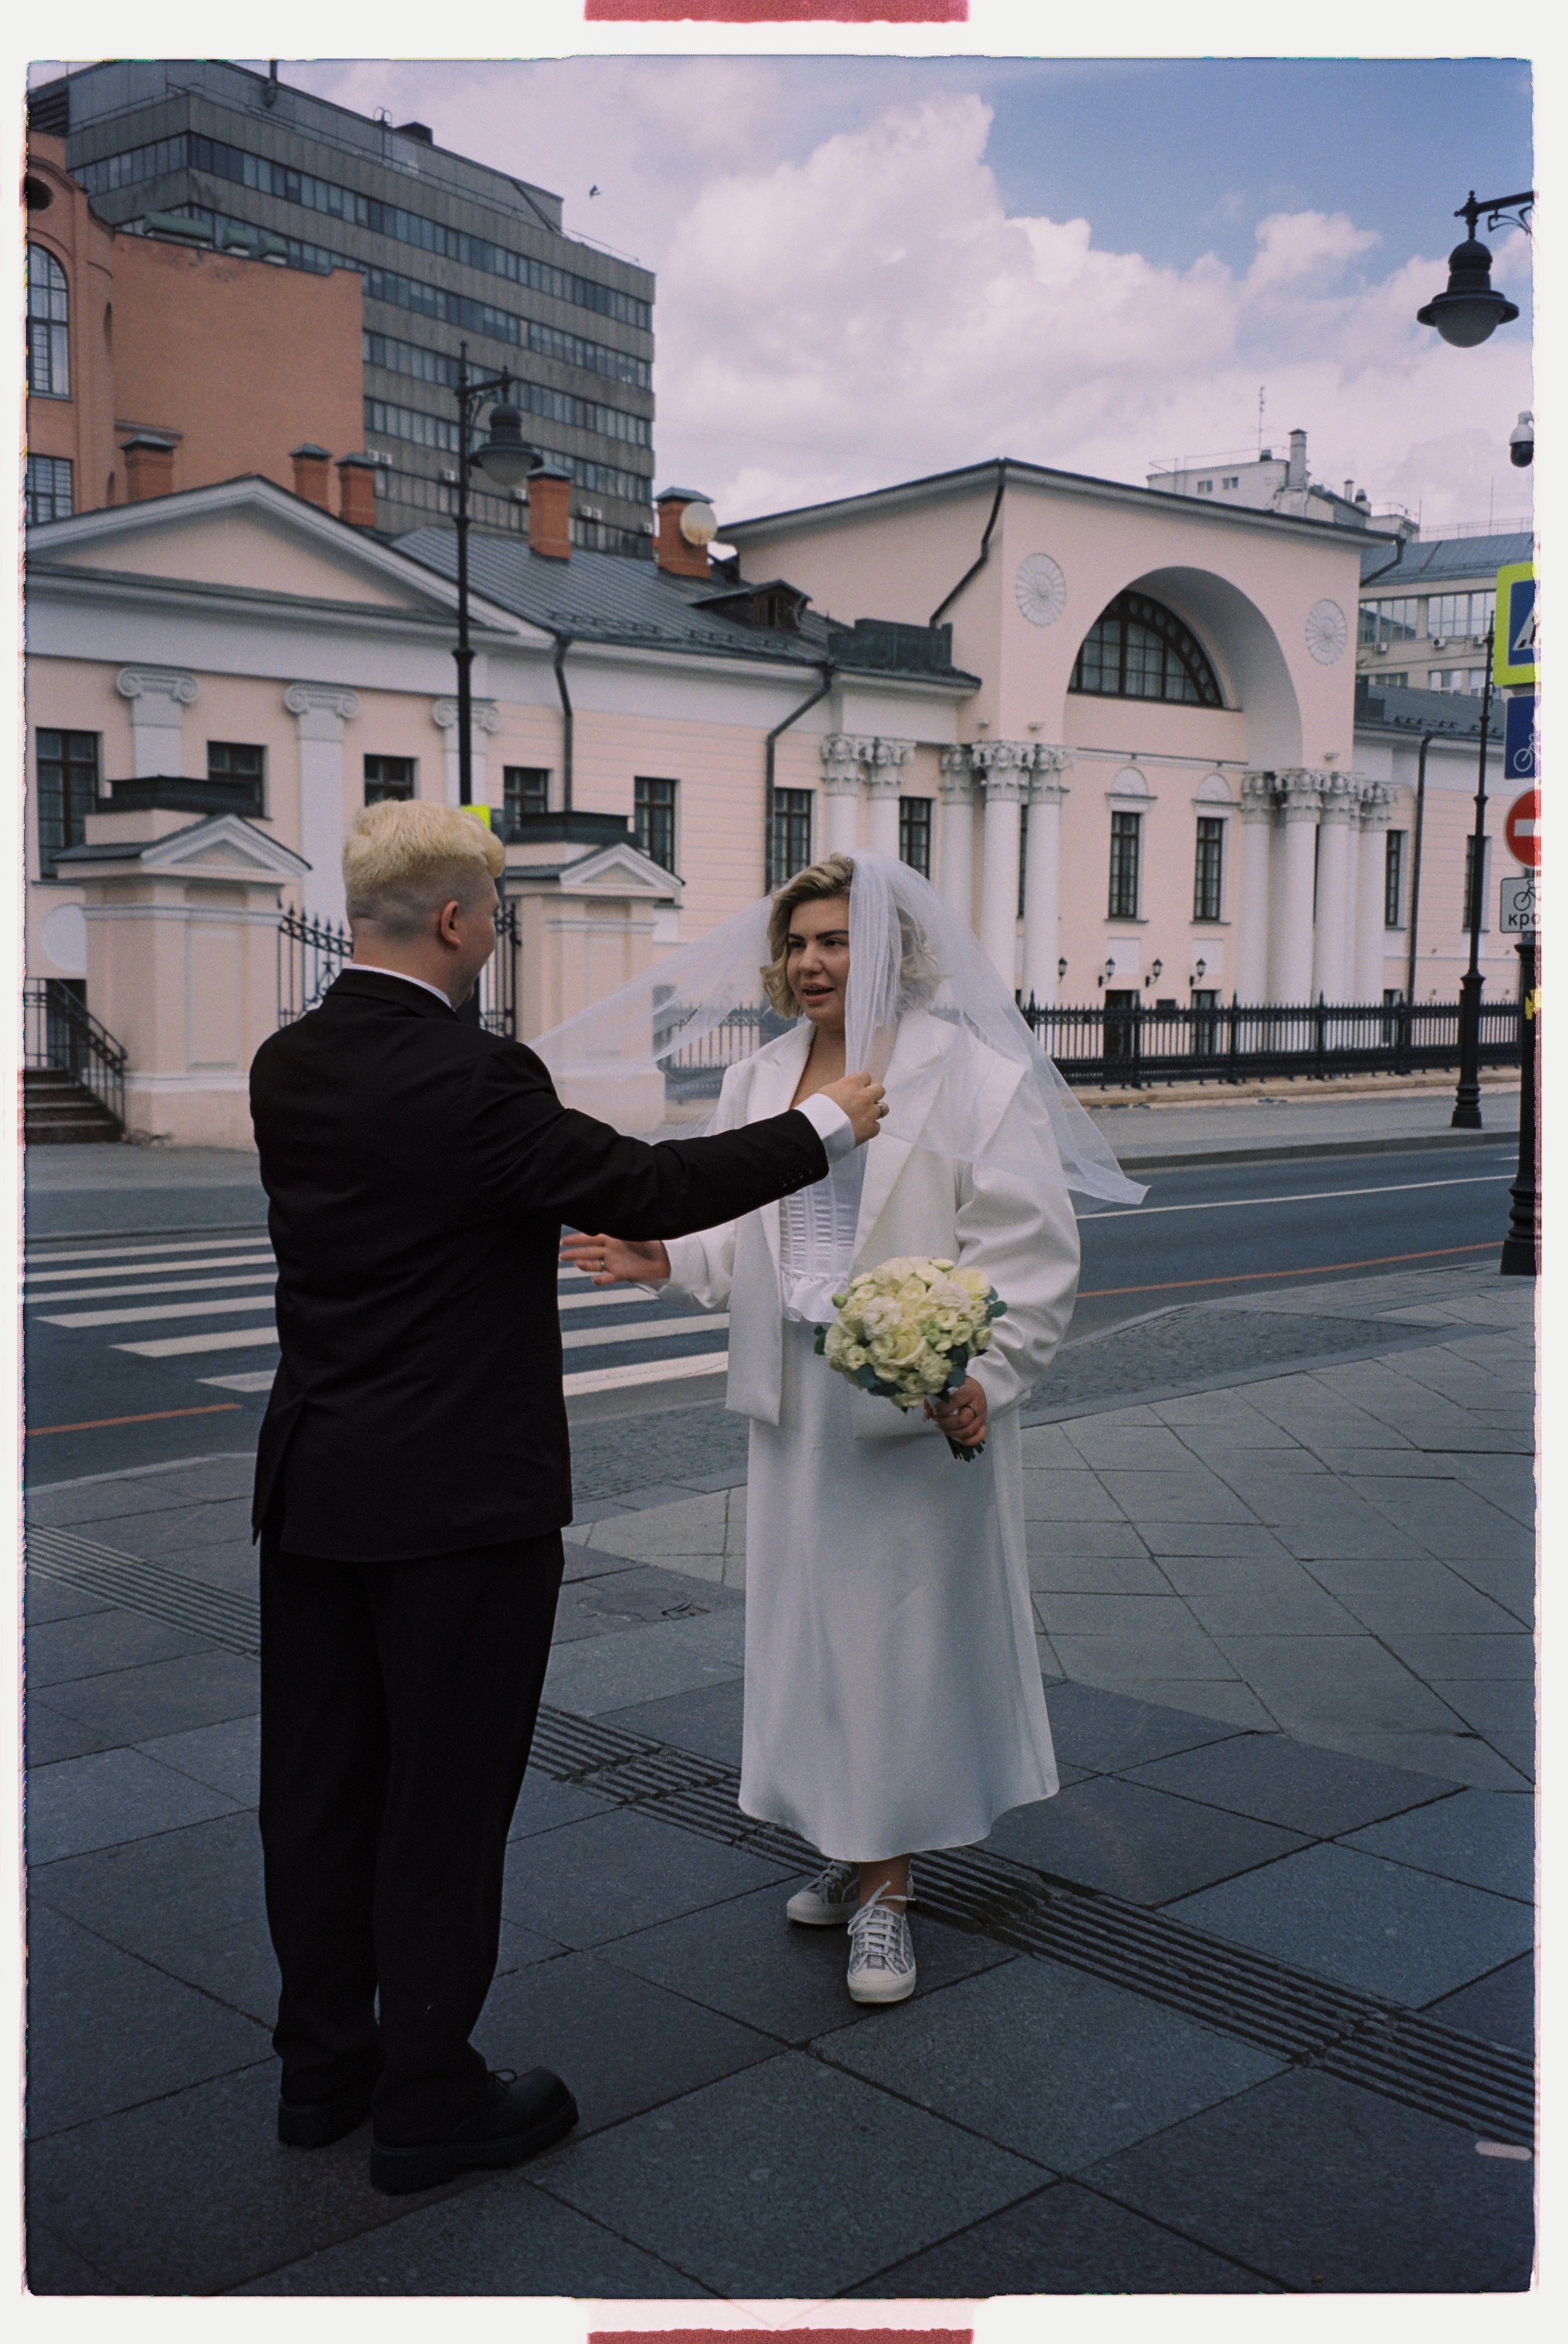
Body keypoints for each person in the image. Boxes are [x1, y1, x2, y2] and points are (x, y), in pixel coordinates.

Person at [248, 803, 887, 2193]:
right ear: (455, 919)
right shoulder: (476, 1076)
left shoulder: (286, 1061)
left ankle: (322, 2070)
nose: (498, 931)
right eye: (494, 910)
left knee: (316, 1784)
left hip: (314, 1485)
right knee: (443, 1796)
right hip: (459, 1502)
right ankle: (429, 2095)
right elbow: (647, 1183)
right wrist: (822, 1126)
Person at [561, 851, 1094, 2007]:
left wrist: (981, 1374)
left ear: (891, 951)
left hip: (912, 1411)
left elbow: (1031, 1252)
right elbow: (737, 1225)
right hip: (796, 1407)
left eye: (835, 940)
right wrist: (665, 1258)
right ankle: (854, 1843)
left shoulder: (973, 1078)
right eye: (797, 942)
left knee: (895, 1642)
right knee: (811, 1636)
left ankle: (887, 1895)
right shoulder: (758, 1077)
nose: (810, 962)